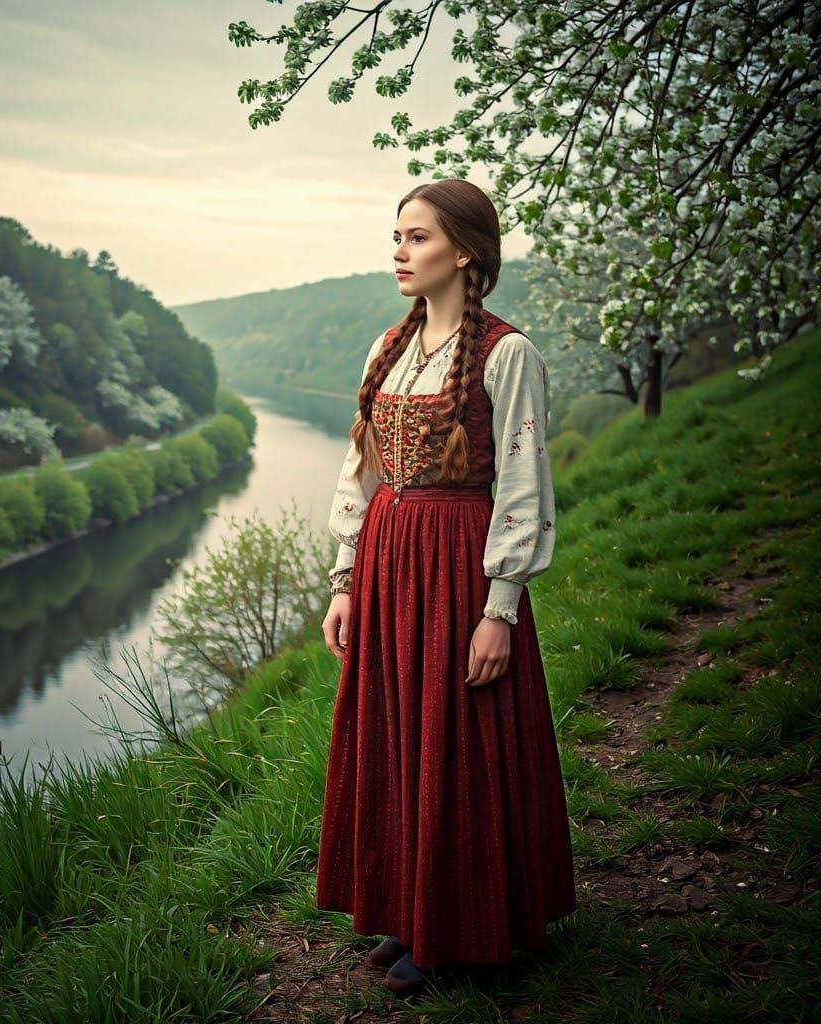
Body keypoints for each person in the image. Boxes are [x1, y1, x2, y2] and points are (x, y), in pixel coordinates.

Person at [316, 179, 576, 995]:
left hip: (460, 567)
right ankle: (410, 910)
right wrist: (345, 579)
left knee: (457, 739)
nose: (399, 251)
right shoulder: (385, 349)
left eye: (417, 238)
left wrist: (501, 609)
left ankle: (466, 927)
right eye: (396, 237)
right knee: (398, 731)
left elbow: (526, 491)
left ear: (464, 251)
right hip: (392, 561)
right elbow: (361, 469)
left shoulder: (506, 353)